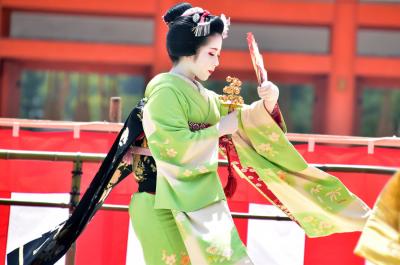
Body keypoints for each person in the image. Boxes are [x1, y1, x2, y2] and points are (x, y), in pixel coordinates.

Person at [128, 2, 370, 265]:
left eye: (218, 54)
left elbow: (242, 119)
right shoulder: (165, 91)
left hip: (197, 202)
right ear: (189, 51)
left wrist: (268, 103)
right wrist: (221, 128)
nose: (217, 63)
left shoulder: (204, 97)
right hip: (161, 203)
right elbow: (172, 148)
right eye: (211, 54)